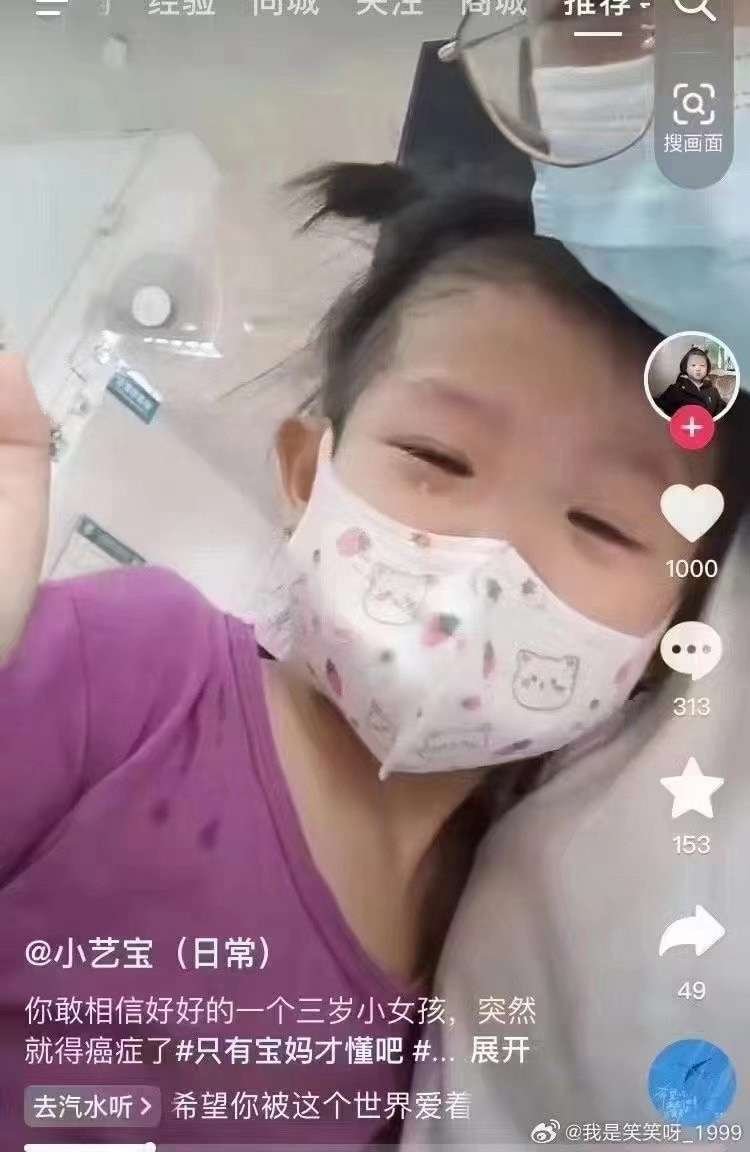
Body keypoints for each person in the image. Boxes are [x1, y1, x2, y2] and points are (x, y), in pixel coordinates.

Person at [0, 163, 744, 1147]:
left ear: (669, 636)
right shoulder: (135, 668)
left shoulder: (492, 939)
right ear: (307, 473)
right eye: (437, 458)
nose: (496, 554)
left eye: (602, 524)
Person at [655, 347, 723, 418]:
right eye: (693, 365)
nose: (698, 369)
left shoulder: (713, 391)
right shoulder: (675, 389)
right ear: (685, 368)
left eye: (702, 365)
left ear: (707, 368)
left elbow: (721, 414)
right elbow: (660, 408)